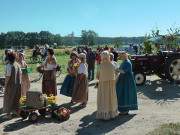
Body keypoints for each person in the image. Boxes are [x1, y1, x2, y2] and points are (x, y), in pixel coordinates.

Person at [96, 51, 118, 120]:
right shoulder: (112, 65)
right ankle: (112, 114)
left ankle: (104, 114)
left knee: (104, 98)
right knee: (111, 98)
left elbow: (97, 76)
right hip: (111, 85)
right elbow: (116, 74)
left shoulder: (100, 66)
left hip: (103, 85)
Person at [3, 52, 21, 118]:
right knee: (16, 99)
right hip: (18, 85)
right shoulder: (17, 65)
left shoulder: (9, 66)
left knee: (8, 99)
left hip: (10, 85)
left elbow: (7, 76)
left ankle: (8, 114)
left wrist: (5, 85)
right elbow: (20, 74)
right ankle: (17, 113)